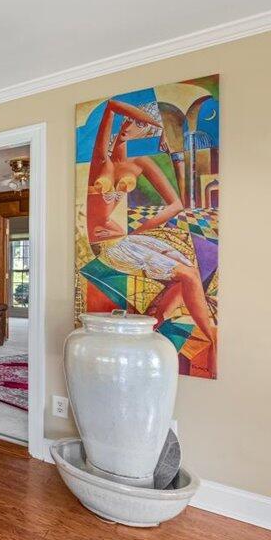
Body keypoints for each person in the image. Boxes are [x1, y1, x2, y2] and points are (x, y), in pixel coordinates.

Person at [85, 99, 217, 358]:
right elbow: (111, 106)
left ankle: (152, 324)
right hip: (107, 244)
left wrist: (142, 229)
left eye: (136, 123)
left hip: (126, 239)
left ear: (144, 132)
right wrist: (151, 121)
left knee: (190, 274)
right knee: (189, 276)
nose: (127, 125)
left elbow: (176, 203)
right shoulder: (102, 159)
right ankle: (214, 339)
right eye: (129, 119)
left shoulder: (140, 162)